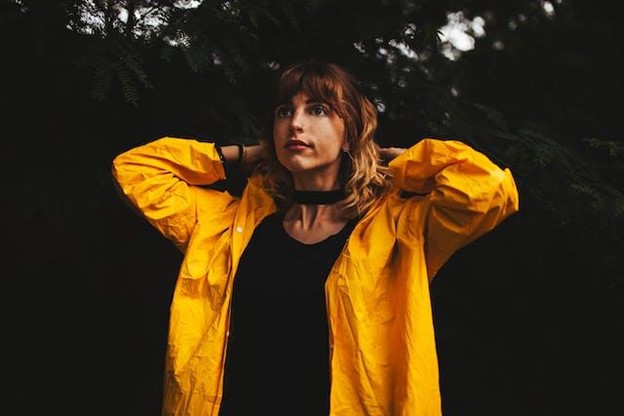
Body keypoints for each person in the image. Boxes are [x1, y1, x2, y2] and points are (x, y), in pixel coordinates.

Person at [112, 60, 519, 416]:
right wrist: (244, 153)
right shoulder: (227, 224)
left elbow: (487, 190)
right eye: (284, 111)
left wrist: (398, 160)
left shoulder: (397, 229)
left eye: (319, 110)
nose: (296, 123)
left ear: (351, 131)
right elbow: (135, 170)